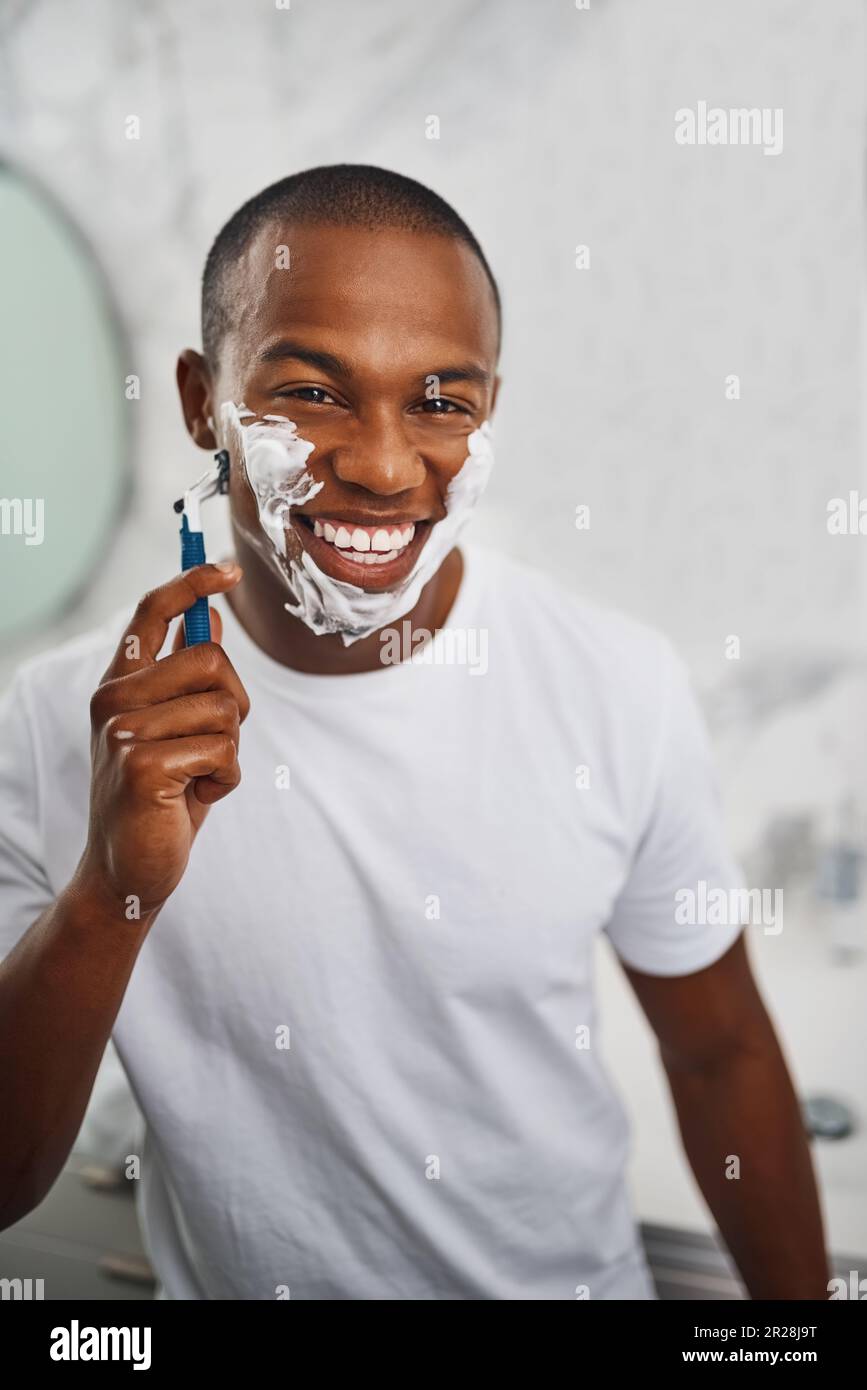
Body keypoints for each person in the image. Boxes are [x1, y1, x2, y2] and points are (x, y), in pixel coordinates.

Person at [0, 164, 828, 1300]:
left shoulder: (613, 684)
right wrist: (110, 891)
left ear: (489, 411)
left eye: (442, 400)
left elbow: (721, 1049)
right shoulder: (54, 723)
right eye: (312, 392)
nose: (387, 468)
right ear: (204, 401)